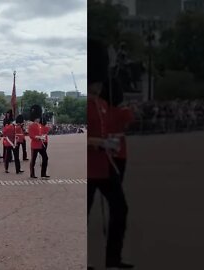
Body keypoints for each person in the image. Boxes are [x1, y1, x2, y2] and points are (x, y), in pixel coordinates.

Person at [88, 39, 133, 269]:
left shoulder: (101, 104)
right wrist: (99, 142)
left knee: (120, 209)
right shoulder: (86, 105)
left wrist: (109, 143)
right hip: (87, 168)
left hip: (104, 167)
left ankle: (113, 260)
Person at [28, 105, 49, 179]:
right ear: (35, 118)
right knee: (33, 159)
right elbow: (31, 135)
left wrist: (42, 137)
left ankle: (43, 173)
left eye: (39, 118)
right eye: (37, 118)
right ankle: (32, 173)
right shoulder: (31, 126)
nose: (38, 119)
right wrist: (38, 137)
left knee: (45, 158)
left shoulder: (40, 125)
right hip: (35, 145)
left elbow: (44, 132)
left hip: (41, 144)